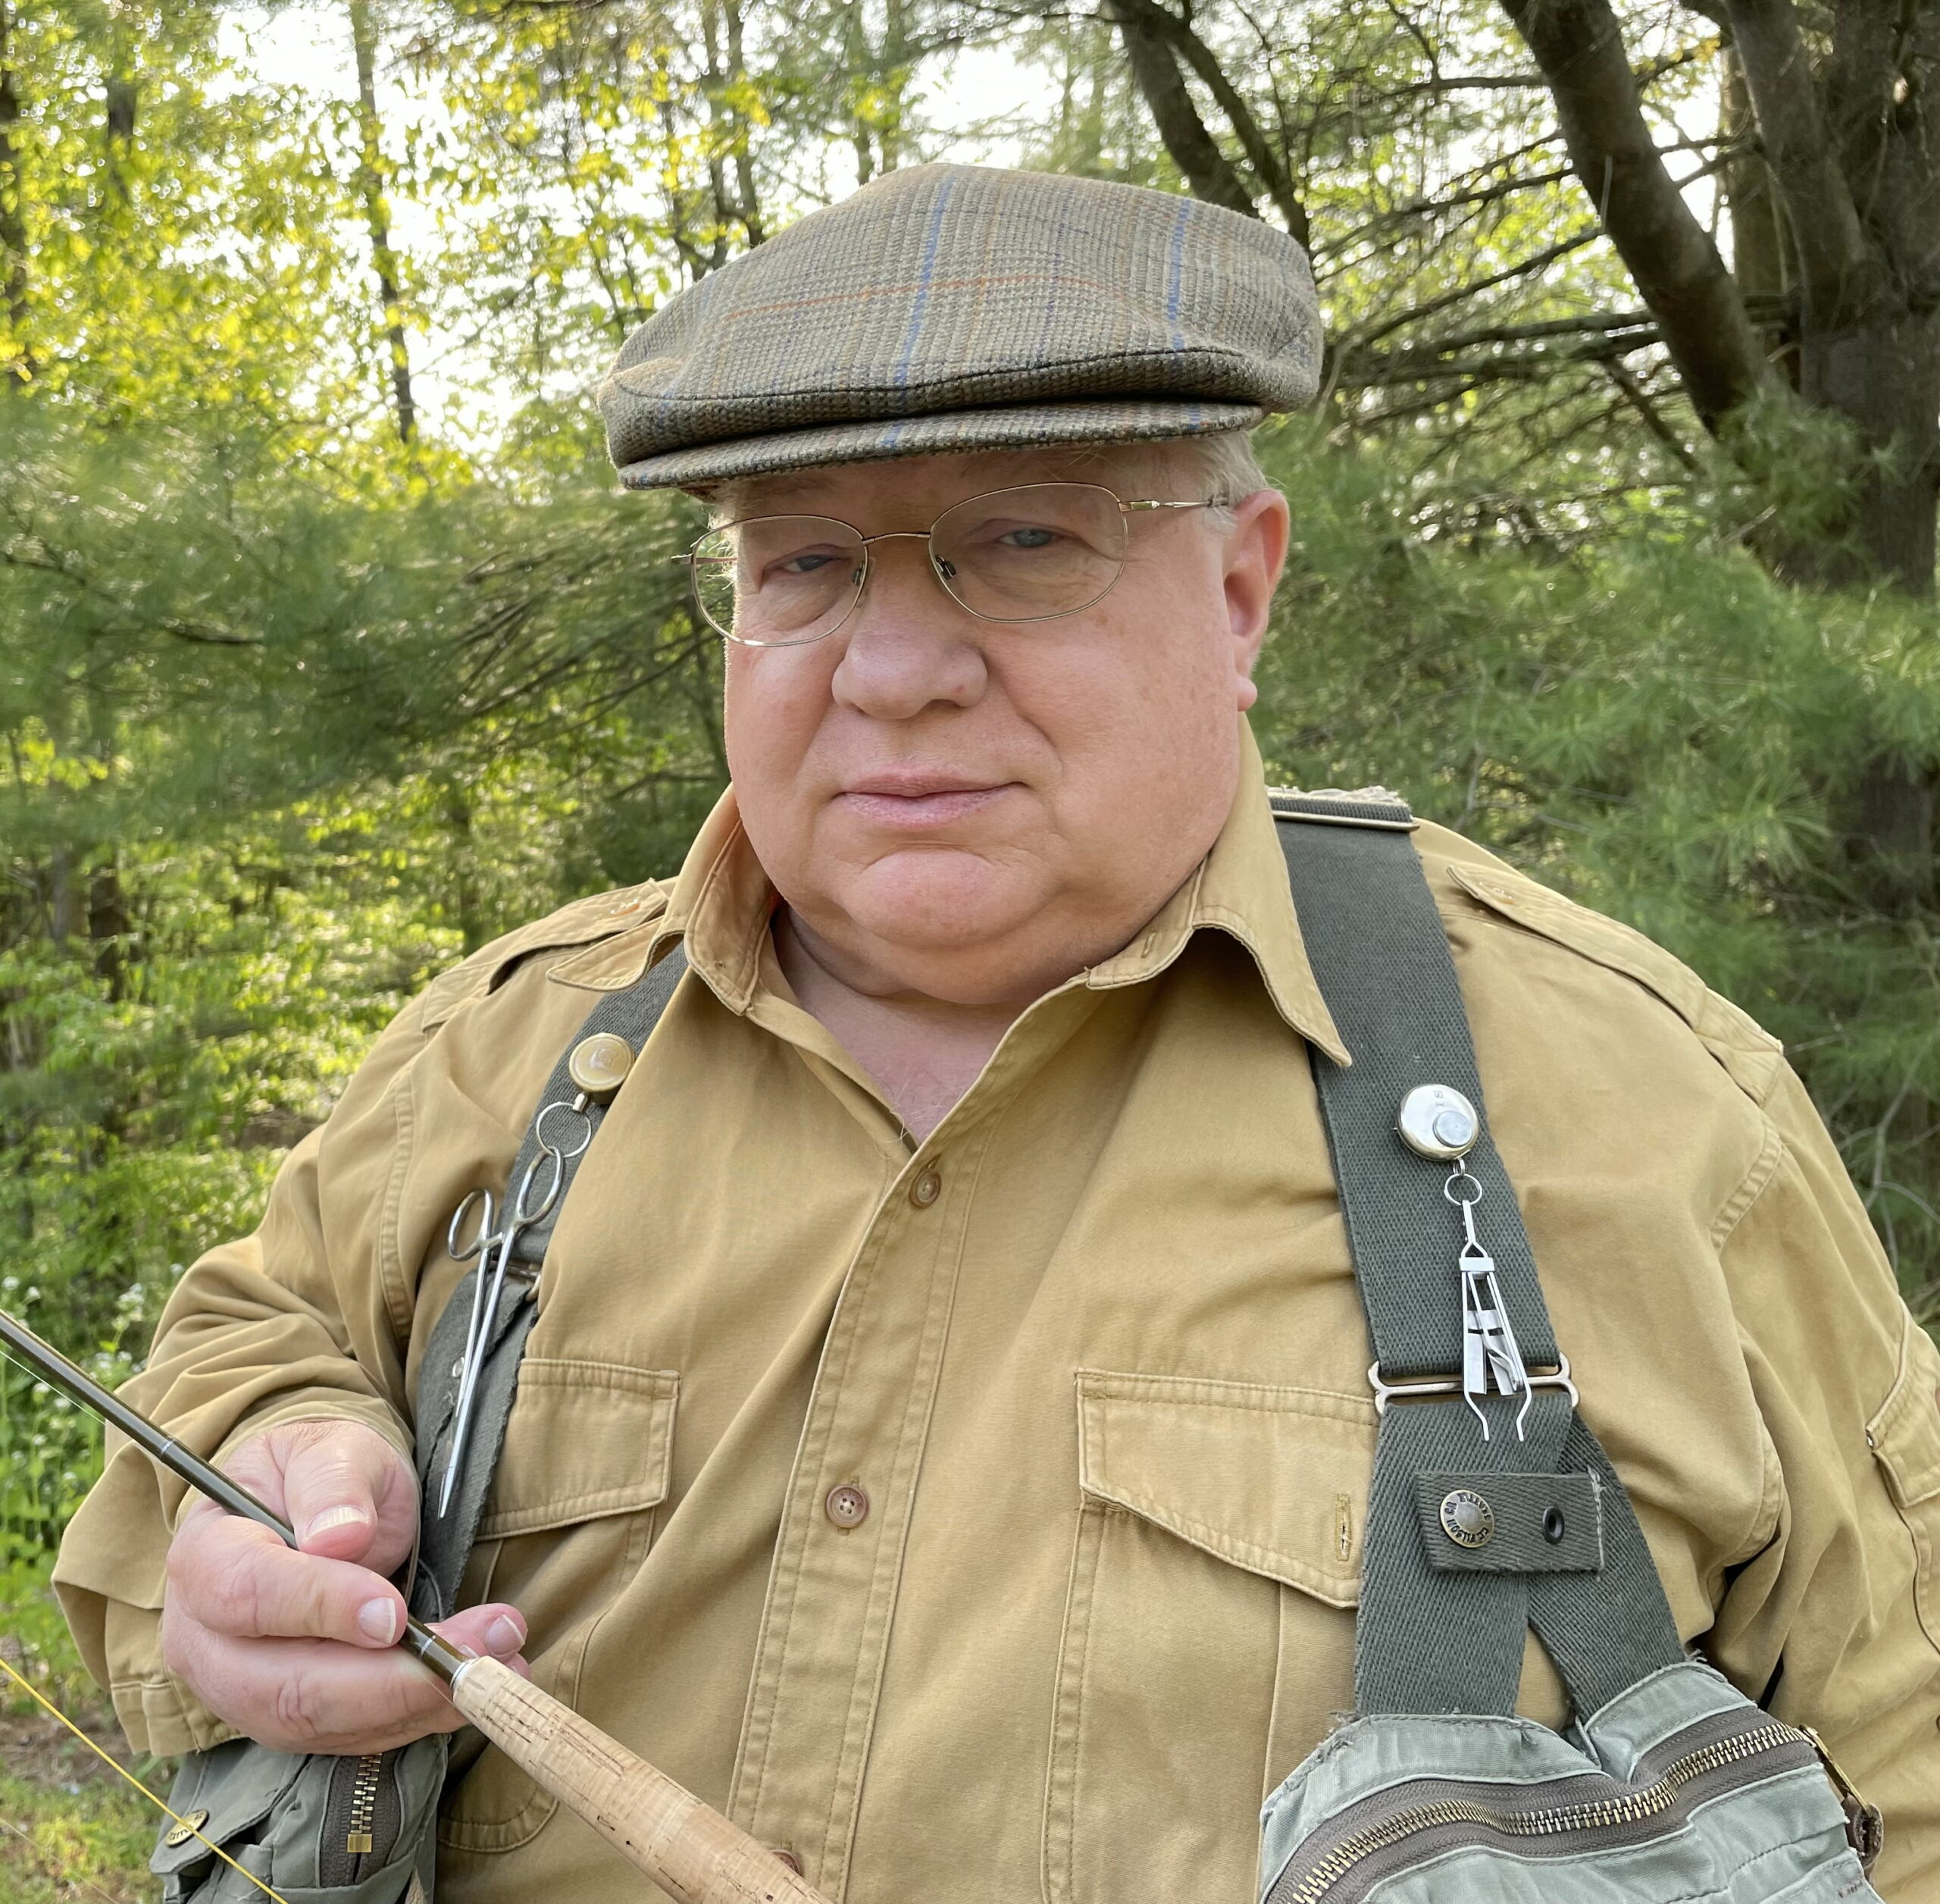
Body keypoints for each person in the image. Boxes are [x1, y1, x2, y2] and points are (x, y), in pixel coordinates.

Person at [55, 163, 1940, 1903]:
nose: (890, 668)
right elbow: (248, 1350)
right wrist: (272, 1486)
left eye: (1022, 538)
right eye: (801, 564)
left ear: (1240, 588)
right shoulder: (504, 1057)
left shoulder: (1641, 1116)